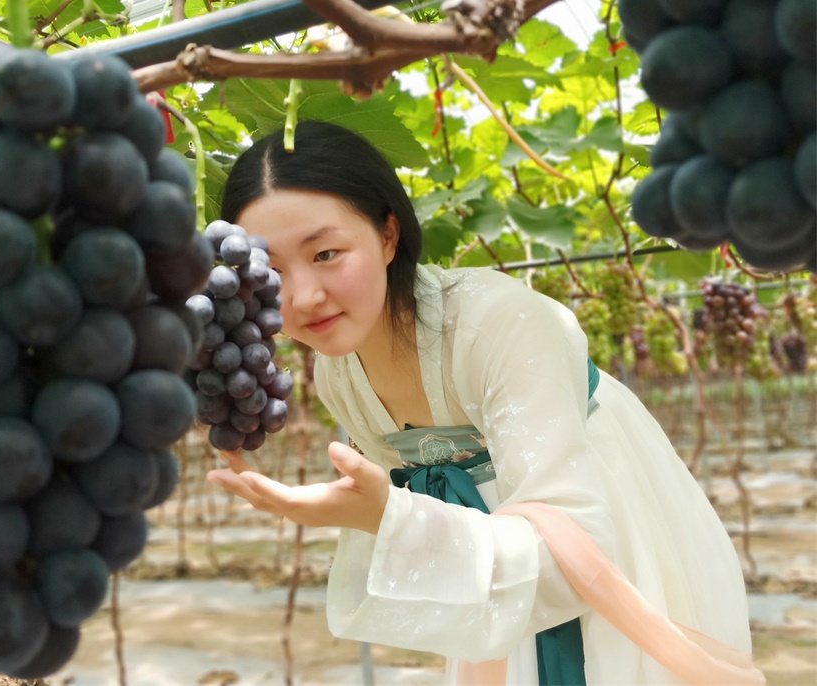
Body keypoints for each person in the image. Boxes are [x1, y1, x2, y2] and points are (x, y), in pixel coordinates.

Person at [206, 120, 763, 685]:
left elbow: (579, 551)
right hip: (501, 570)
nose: (303, 296)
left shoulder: (500, 325)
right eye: (270, 271)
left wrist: (388, 516)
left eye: (326, 252)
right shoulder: (337, 376)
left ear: (388, 235)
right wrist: (380, 515)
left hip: (607, 539)